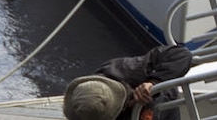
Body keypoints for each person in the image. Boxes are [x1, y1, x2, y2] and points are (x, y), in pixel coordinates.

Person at [63, 44, 192, 120]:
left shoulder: (127, 68)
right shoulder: (90, 109)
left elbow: (181, 54)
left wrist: (153, 82)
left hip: (164, 105)